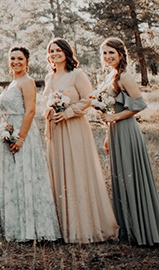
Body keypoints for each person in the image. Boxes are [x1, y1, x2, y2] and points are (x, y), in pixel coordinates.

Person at [43, 37, 118, 243]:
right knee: (59, 172)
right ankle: (63, 226)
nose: (55, 54)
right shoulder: (50, 77)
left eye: (58, 50)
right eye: (51, 51)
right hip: (56, 130)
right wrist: (50, 109)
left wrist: (69, 112)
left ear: (67, 52)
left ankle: (83, 226)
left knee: (76, 171)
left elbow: (89, 98)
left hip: (74, 127)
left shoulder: (77, 74)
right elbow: (45, 101)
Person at [98, 37, 159, 246]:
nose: (108, 57)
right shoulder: (111, 75)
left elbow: (138, 105)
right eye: (105, 53)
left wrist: (115, 118)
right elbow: (110, 107)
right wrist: (108, 134)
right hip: (115, 131)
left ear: (121, 54)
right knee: (120, 177)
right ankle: (128, 228)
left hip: (127, 130)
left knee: (132, 177)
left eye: (112, 52)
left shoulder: (125, 77)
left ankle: (145, 231)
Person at [0, 47, 60, 242]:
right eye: (12, 58)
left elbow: (30, 111)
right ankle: (17, 227)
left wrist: (21, 137)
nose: (15, 62)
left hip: (23, 132)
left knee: (27, 177)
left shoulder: (28, 82)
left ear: (27, 61)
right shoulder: (13, 82)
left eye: (20, 58)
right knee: (15, 178)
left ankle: (34, 229)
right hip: (10, 131)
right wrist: (6, 130)